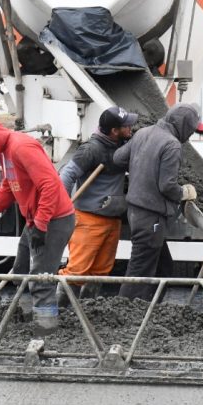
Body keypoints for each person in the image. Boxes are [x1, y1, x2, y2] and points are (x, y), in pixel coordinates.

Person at [0, 114, 76, 333]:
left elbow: (50, 185)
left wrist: (41, 224)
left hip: (54, 220)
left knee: (41, 277)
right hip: (35, 220)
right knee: (22, 268)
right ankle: (27, 316)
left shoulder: (21, 147)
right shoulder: (5, 152)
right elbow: (9, 187)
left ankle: (45, 327)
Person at [112, 103, 203, 301]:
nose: (190, 136)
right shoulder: (172, 144)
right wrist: (184, 192)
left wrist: (141, 165)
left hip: (135, 211)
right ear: (183, 125)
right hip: (150, 216)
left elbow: (118, 158)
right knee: (139, 269)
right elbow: (167, 186)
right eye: (191, 130)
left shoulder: (143, 133)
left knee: (164, 267)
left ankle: (152, 311)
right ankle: (124, 313)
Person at [57, 106, 138, 295]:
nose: (131, 129)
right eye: (126, 126)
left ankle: (88, 314)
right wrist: (63, 210)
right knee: (76, 273)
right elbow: (66, 176)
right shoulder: (91, 150)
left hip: (112, 219)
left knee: (100, 272)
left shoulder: (120, 145)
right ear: (114, 131)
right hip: (89, 220)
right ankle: (61, 315)